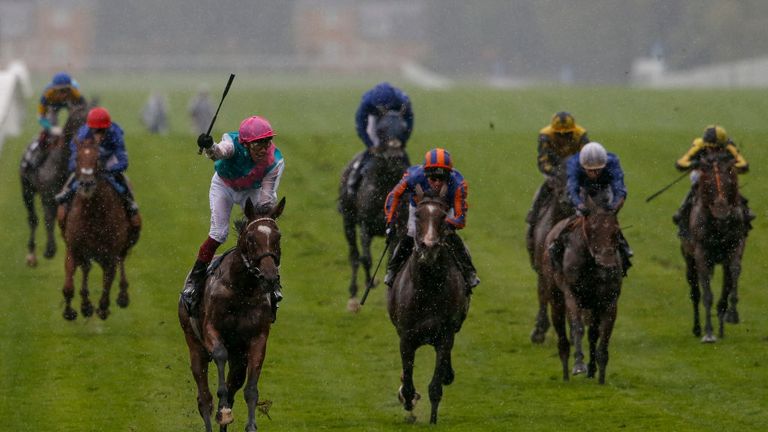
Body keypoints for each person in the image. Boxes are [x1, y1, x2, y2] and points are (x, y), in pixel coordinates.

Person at [181, 115, 285, 320]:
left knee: (265, 232)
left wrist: (262, 218)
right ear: (245, 144)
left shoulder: (275, 161)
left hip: (252, 191)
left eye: (267, 142)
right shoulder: (232, 144)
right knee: (219, 233)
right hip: (224, 187)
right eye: (259, 144)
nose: (265, 148)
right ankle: (195, 279)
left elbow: (265, 199)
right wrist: (209, 145)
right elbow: (218, 153)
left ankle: (273, 285)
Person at [383, 148, 479, 291]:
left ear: (449, 176)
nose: (437, 183)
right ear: (425, 174)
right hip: (418, 208)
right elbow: (394, 195)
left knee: (451, 237)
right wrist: (390, 222)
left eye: (442, 179)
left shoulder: (458, 184)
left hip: (445, 210)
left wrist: (445, 225)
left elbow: (460, 218)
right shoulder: (413, 176)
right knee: (411, 233)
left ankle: (469, 272)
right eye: (433, 179)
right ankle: (392, 269)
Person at [552, 142, 632, 276]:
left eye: (598, 170)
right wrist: (580, 205)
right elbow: (573, 189)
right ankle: (557, 245)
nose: (594, 173)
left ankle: (624, 251)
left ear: (604, 165)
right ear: (583, 167)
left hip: (604, 189)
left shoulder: (613, 162)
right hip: (583, 189)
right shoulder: (574, 163)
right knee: (576, 215)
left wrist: (614, 206)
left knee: (607, 224)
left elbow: (619, 188)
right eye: (590, 170)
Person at [55, 107, 142, 230]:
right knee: (79, 176)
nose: (98, 135)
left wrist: (107, 170)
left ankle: (129, 203)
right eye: (96, 131)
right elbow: (73, 161)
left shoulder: (115, 133)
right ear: (90, 128)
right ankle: (66, 195)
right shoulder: (82, 134)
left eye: (102, 131)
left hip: (108, 160)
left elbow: (123, 161)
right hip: (89, 160)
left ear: (107, 128)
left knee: (119, 179)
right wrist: (82, 168)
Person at [673, 125, 753, 237]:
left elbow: (744, 164)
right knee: (697, 183)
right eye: (711, 148)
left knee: (727, 183)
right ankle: (684, 210)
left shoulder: (730, 146)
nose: (714, 151)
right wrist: (694, 164)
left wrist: (730, 166)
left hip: (723, 173)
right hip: (703, 173)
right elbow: (680, 163)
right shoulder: (699, 145)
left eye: (718, 149)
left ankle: (744, 209)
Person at [526, 112, 590, 232]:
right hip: (555, 170)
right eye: (560, 135)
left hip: (576, 168)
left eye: (567, 134)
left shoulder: (581, 135)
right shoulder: (545, 136)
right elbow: (543, 161)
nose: (564, 138)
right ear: (553, 132)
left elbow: (586, 159)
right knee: (544, 190)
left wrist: (578, 173)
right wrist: (555, 173)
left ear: (573, 131)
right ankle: (533, 218)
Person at [346, 82, 414, 196]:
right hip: (374, 118)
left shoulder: (402, 100)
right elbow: (360, 125)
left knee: (398, 152)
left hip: (396, 118)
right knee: (376, 147)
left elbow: (409, 121)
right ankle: (354, 179)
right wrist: (370, 145)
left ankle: (410, 179)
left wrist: (402, 141)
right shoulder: (367, 102)